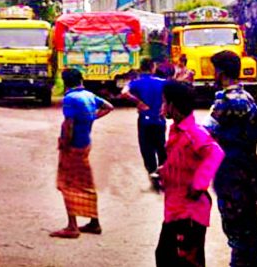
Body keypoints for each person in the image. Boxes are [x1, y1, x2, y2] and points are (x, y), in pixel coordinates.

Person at [204, 50, 257, 267]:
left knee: (234, 223)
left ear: (220, 72)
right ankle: (253, 260)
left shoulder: (225, 101)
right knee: (249, 219)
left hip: (230, 171)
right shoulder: (248, 97)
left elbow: (206, 133)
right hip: (249, 168)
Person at [155, 80, 224, 267]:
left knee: (183, 261)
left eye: (163, 102)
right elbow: (183, 159)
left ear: (171, 105)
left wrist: (198, 185)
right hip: (176, 209)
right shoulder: (176, 131)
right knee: (165, 257)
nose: (161, 107)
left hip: (189, 213)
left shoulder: (193, 133)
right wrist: (166, 171)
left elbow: (215, 152)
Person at [51, 68, 114, 239]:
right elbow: (109, 106)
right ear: (81, 79)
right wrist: (92, 118)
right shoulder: (88, 95)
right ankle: (94, 222)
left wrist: (65, 144)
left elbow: (69, 124)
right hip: (85, 143)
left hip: (73, 147)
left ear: (65, 82)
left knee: (67, 184)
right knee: (86, 183)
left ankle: (72, 226)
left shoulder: (70, 98)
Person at [121, 57, 168, 189]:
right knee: (161, 146)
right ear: (153, 67)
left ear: (141, 68)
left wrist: (138, 102)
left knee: (147, 147)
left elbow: (124, 93)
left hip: (144, 120)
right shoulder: (162, 82)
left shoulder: (136, 82)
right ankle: (163, 172)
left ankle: (152, 172)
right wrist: (164, 105)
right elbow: (171, 93)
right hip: (159, 119)